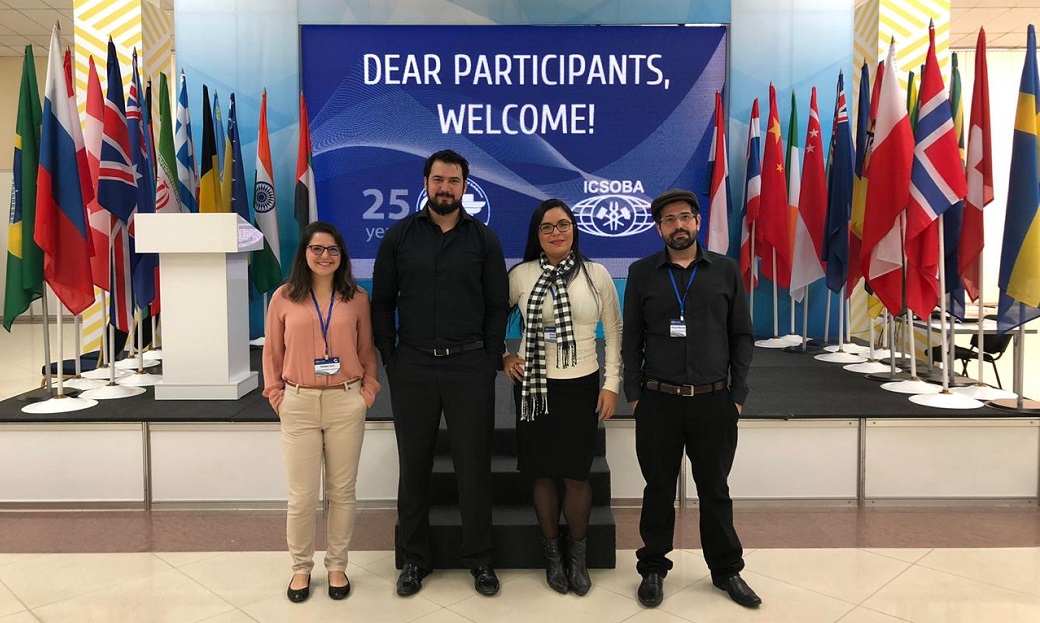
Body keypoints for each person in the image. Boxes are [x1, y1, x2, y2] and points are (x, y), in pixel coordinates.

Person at [372, 149, 509, 597]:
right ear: (426, 183)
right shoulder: (398, 237)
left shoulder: (484, 241)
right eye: (438, 179)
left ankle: (480, 560)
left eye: (453, 181)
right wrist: (392, 359)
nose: (445, 188)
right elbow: (383, 304)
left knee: (474, 466)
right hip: (412, 365)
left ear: (465, 187)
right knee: (414, 467)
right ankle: (414, 560)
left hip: (470, 366)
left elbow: (495, 307)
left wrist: (489, 359)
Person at [621, 189, 760, 609]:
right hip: (658, 401)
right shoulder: (642, 272)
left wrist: (736, 395)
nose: (677, 226)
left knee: (715, 488)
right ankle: (652, 569)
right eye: (668, 220)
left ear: (698, 222)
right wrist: (635, 395)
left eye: (684, 217)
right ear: (659, 228)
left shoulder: (725, 271)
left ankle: (726, 570)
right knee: (658, 488)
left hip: (714, 402)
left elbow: (742, 336)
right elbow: (632, 339)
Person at [502, 198, 621, 595]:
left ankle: (577, 557)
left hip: (581, 385)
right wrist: (503, 355)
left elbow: (615, 332)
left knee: (576, 474)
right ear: (536, 234)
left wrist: (611, 384)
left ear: (574, 229)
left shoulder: (596, 274)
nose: (557, 232)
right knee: (542, 473)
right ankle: (552, 555)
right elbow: (490, 321)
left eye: (563, 225)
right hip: (534, 386)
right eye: (547, 227)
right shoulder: (520, 275)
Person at [262, 222, 380, 603]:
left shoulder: (358, 298)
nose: (325, 256)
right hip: (298, 403)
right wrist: (277, 395)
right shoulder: (283, 297)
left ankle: (336, 565)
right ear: (305, 254)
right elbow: (272, 353)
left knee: (342, 492)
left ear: (342, 256)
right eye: (317, 249)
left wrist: (368, 392)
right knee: (301, 496)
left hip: (346, 401)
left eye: (332, 250)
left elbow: (366, 351)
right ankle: (300, 568)